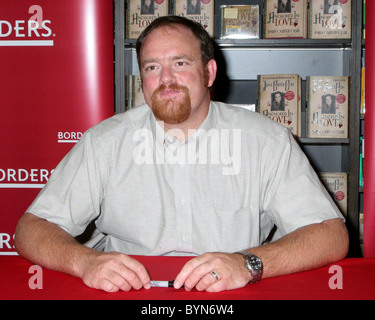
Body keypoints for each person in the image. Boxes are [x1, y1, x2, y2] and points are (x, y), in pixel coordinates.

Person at [14, 16, 349, 293]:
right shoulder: (104, 143)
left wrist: (248, 263)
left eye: (180, 63)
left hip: (231, 292)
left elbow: (330, 235)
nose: (166, 79)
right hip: (126, 292)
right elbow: (32, 228)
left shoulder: (266, 141)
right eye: (152, 67)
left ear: (209, 73)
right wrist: (85, 261)